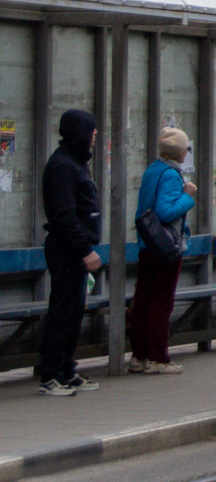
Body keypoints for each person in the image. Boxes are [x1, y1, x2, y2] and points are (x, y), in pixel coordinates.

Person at [38, 109, 102, 396]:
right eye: (91, 129)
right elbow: (65, 214)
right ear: (80, 132)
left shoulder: (76, 162)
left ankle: (67, 370)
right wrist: (84, 249)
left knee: (74, 311)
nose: (95, 134)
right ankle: (50, 376)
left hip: (74, 249)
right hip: (66, 249)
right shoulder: (63, 165)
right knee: (63, 311)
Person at [127, 127, 196, 376]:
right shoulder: (171, 175)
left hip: (148, 245)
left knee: (144, 299)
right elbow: (165, 212)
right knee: (161, 302)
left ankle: (139, 355)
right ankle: (158, 358)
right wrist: (188, 196)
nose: (186, 153)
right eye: (185, 149)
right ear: (179, 153)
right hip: (166, 247)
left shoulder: (152, 170)